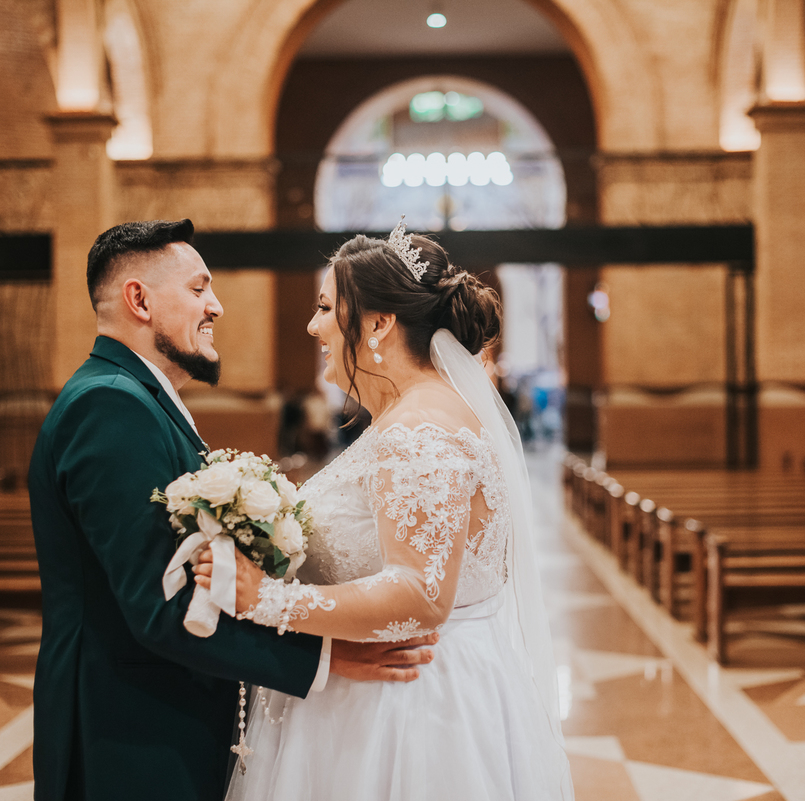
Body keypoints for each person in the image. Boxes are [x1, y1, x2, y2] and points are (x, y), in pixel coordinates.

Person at [27, 219, 435, 801]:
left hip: (152, 722)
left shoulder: (137, 398)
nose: (216, 306)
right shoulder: (109, 406)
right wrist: (324, 656)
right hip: (126, 736)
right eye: (198, 288)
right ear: (139, 300)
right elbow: (161, 605)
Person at [196, 222, 574, 801]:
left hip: (409, 708)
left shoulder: (418, 430)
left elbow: (421, 595)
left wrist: (264, 598)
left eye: (326, 308)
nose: (313, 326)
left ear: (378, 323)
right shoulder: (417, 414)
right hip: (416, 682)